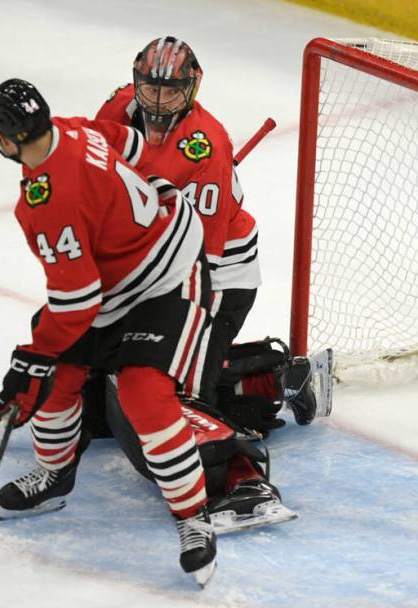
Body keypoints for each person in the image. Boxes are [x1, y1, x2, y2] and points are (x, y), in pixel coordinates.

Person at [0, 78, 217, 586]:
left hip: (167, 275)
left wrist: (31, 355)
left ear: (7, 139)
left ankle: (194, 518)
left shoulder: (44, 204)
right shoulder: (73, 129)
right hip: (117, 278)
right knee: (59, 377)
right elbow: (132, 144)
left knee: (143, 393)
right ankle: (55, 473)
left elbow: (77, 300)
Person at [95, 36, 318, 432]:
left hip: (219, 276)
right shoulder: (116, 109)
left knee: (184, 397)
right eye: (150, 89)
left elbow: (202, 263)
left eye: (171, 92)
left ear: (192, 90)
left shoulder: (207, 148)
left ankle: (275, 376)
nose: (159, 102)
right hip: (155, 256)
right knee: (102, 393)